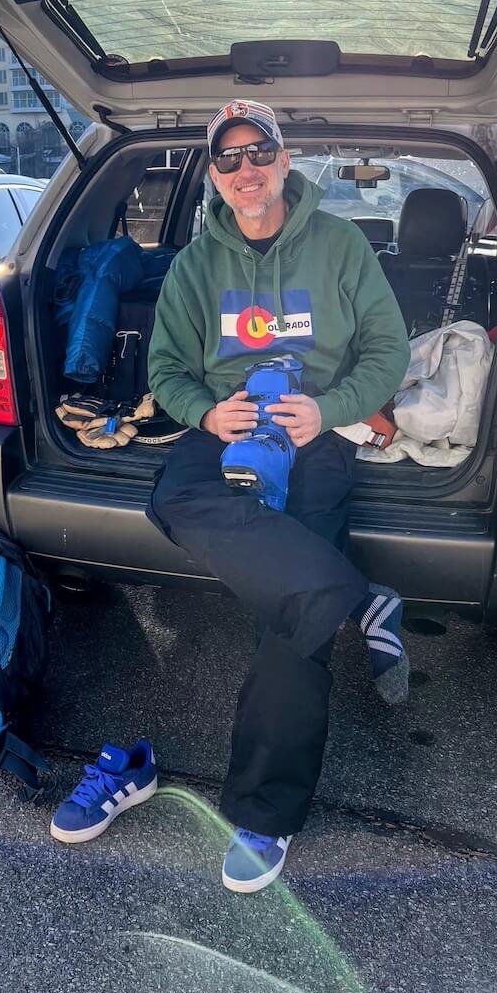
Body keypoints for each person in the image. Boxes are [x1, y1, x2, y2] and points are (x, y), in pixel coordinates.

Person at [146, 100, 411, 893]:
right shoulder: (196, 264)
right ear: (214, 175)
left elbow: (388, 350)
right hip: (226, 431)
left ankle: (264, 815)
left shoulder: (338, 246)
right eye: (226, 159)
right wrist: (206, 412)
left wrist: (325, 412)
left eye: (257, 151)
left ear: (285, 160)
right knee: (172, 498)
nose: (244, 169)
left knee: (286, 622)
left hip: (314, 437)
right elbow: (165, 370)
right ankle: (359, 599)